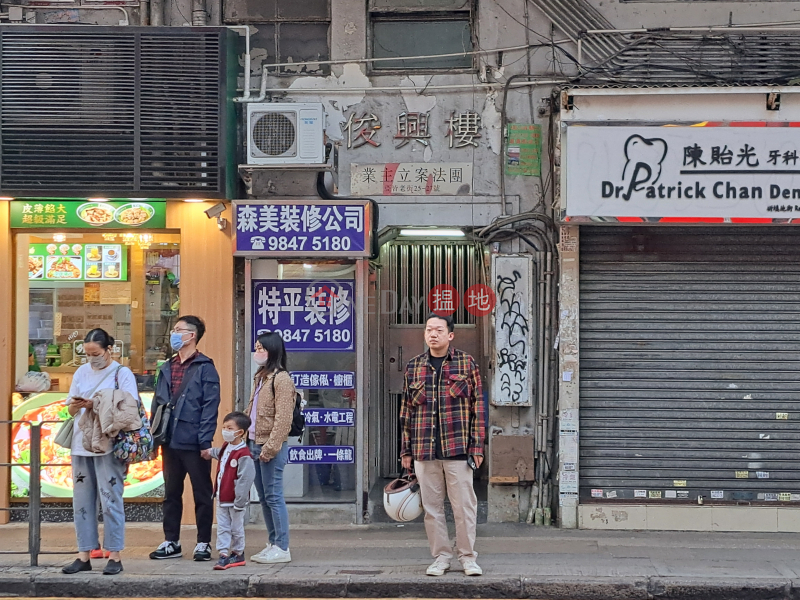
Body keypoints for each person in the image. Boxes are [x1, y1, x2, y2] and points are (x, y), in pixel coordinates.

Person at [399, 313, 486, 577]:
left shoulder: (466, 363)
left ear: (450, 335)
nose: (432, 334)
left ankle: (468, 557)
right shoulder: (414, 366)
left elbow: (478, 407)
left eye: (438, 330)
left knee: (464, 508)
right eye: (428, 330)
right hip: (424, 450)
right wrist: (405, 450)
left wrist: (477, 447)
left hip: (458, 449)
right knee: (432, 509)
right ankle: (441, 557)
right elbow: (406, 412)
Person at [62, 329, 139, 576]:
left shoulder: (122, 373)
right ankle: (83, 553)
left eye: (96, 353)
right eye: (87, 354)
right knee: (81, 501)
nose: (92, 358)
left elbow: (130, 408)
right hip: (81, 442)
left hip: (108, 444)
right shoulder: (81, 372)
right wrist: (76, 405)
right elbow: (70, 411)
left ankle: (114, 554)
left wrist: (95, 403)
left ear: (109, 350)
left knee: (111, 498)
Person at [149, 316, 221, 561]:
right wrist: (153, 438)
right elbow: (157, 403)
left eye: (179, 330)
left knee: (202, 493)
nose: (174, 334)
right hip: (169, 439)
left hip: (193, 441)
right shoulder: (167, 367)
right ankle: (171, 541)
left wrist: (205, 442)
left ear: (192, 335)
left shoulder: (205, 367)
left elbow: (210, 407)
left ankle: (203, 543)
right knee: (171, 493)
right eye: (174, 330)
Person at [246, 332, 296, 564]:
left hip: (269, 447)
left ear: (273, 350)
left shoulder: (282, 379)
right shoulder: (261, 377)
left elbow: (283, 419)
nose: (257, 352)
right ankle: (273, 541)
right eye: (256, 347)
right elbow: (252, 410)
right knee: (265, 498)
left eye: (261, 348)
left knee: (274, 496)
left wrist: (271, 448)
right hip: (254, 443)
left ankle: (282, 546)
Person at [202, 412, 256, 570]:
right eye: (224, 427)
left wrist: (240, 502)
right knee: (223, 527)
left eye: (229, 428)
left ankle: (238, 552)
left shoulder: (244, 454)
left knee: (236, 528)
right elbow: (221, 454)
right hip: (221, 497)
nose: (225, 430)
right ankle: (224, 554)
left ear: (240, 432)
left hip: (235, 500)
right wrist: (210, 452)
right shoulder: (227, 446)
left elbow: (245, 480)